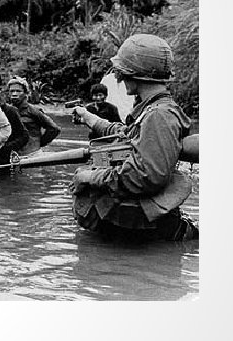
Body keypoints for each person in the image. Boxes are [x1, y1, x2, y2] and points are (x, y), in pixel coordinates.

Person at [70, 34, 199, 241]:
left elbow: (145, 176)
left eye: (122, 71)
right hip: (144, 233)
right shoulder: (151, 110)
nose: (119, 77)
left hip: (152, 234)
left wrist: (90, 177)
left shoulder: (159, 115)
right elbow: (126, 135)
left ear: (136, 72)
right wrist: (90, 118)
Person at [6, 76, 61, 156]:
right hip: (13, 155)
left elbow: (54, 129)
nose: (14, 94)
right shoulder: (6, 111)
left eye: (18, 91)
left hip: (32, 154)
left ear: (25, 93)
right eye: (12, 91)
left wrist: (39, 143)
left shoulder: (33, 111)